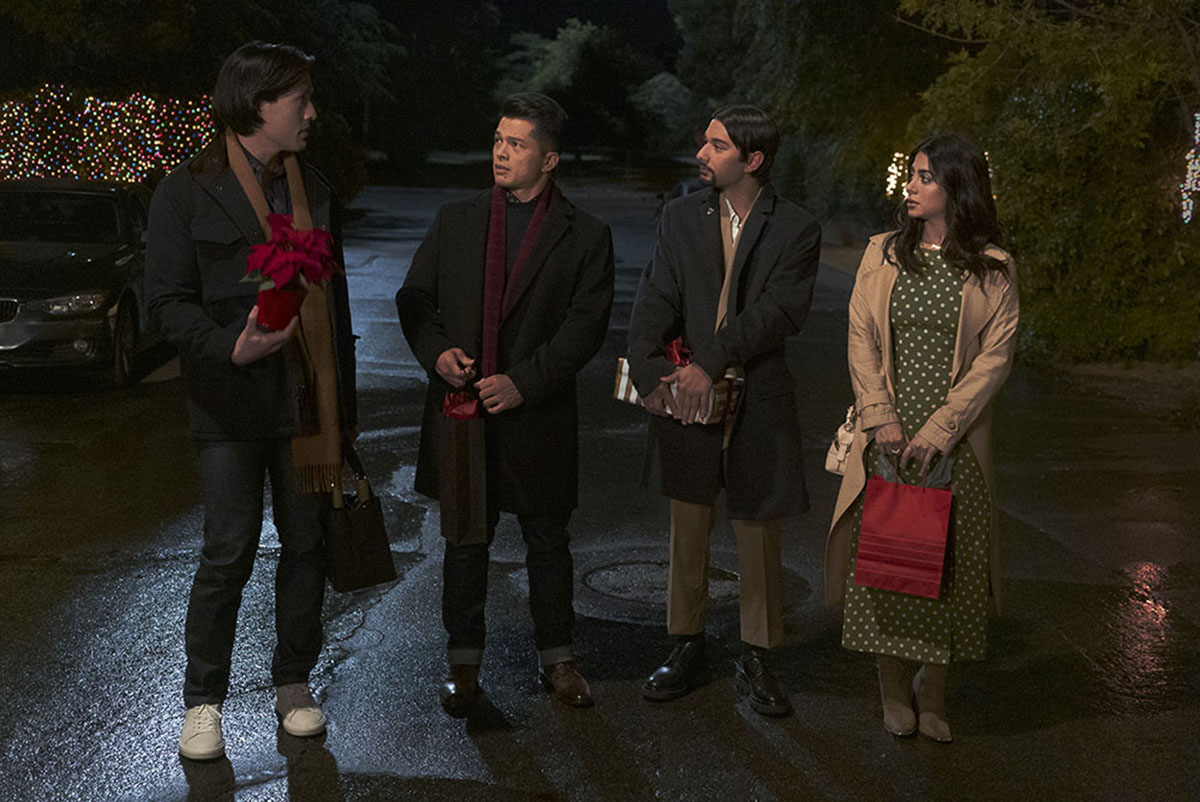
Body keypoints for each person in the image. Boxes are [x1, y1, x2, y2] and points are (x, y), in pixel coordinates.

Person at [146, 42, 357, 761]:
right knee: (228, 551)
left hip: (306, 404)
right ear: (259, 104)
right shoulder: (185, 190)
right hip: (228, 406)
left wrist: (344, 413)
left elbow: (336, 311)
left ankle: (293, 683)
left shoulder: (314, 187)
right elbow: (165, 302)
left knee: (307, 545)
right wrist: (227, 347)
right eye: (301, 99)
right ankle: (202, 701)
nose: (312, 112)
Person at [396, 92, 614, 715]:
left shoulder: (584, 234)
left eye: (516, 144)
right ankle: (463, 666)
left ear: (549, 159)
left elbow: (584, 326)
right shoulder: (457, 219)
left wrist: (525, 381)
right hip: (463, 409)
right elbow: (416, 299)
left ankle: (558, 659)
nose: (500, 152)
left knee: (548, 540)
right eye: (498, 139)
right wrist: (437, 353)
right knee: (465, 541)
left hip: (537, 412)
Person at [626, 105, 821, 717]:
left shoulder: (796, 227)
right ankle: (686, 644)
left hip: (756, 391)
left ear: (752, 159)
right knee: (687, 521)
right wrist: (650, 372)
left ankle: (759, 654)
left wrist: (708, 361)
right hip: (686, 390)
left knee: (758, 526)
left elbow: (778, 312)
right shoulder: (682, 215)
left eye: (716, 145)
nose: (701, 154)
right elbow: (656, 294)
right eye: (704, 142)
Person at [825, 133, 1019, 743]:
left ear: (958, 188)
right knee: (889, 565)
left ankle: (933, 693)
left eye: (925, 176)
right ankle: (891, 688)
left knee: (948, 570)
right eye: (912, 174)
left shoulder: (992, 266)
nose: (910, 186)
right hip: (888, 436)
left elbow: (995, 359)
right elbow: (860, 335)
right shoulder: (884, 252)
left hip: (956, 441)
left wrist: (940, 429)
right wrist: (880, 414)